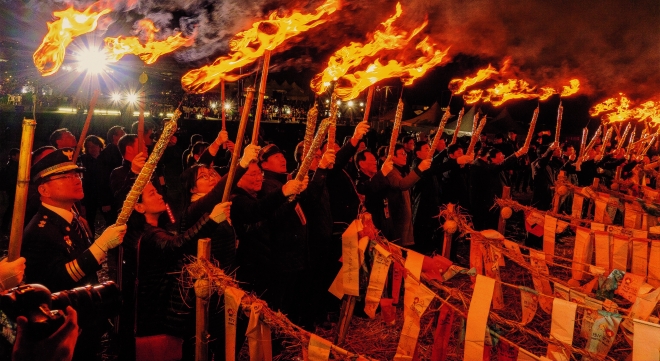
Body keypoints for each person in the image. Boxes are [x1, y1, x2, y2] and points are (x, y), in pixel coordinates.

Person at [21, 148, 126, 361]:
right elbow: (57, 280)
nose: (77, 180)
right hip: (62, 326)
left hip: (82, 318)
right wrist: (101, 245)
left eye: (77, 174)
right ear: (44, 189)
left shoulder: (71, 217)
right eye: (65, 177)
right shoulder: (41, 230)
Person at [386, 143, 431, 246]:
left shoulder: (402, 171)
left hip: (405, 215)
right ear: (393, 156)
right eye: (401, 154)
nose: (405, 156)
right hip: (397, 216)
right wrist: (419, 169)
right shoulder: (391, 171)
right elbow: (402, 184)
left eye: (405, 154)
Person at [98, 126, 126, 226]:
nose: (125, 135)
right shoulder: (106, 154)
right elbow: (102, 178)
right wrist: (105, 201)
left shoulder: (122, 151)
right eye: (122, 134)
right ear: (115, 137)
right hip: (111, 197)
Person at [78, 135, 104, 236]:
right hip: (89, 196)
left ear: (99, 146)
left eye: (95, 146)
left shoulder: (105, 158)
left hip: (103, 195)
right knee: (89, 221)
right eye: (89, 146)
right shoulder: (83, 160)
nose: (92, 149)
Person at [0, 149, 19, 235]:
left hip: (11, 190)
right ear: (13, 156)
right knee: (10, 209)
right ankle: (5, 228)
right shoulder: (12, 167)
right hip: (12, 191)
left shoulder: (12, 166)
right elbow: (11, 180)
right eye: (18, 155)